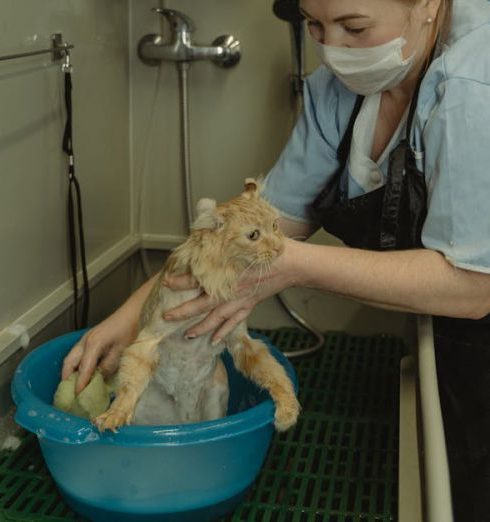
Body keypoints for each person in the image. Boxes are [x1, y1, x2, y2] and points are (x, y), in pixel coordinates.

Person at [63, 0, 490, 519]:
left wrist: (295, 265)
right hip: (443, 329)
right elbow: (270, 225)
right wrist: (127, 319)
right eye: (314, 24)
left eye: (354, 26)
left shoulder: (474, 81)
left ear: (428, 4)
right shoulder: (341, 89)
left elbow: (473, 286)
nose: (332, 48)